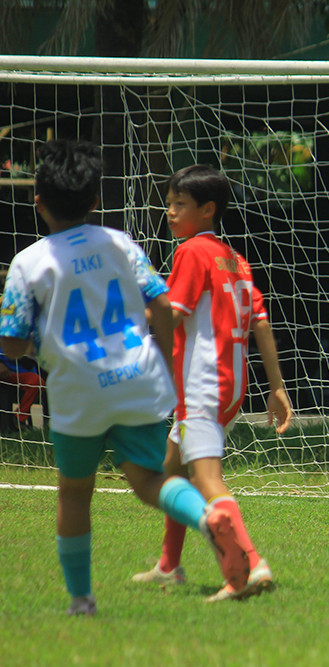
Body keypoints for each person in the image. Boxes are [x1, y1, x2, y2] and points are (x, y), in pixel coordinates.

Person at [0, 139, 249, 616]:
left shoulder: (28, 263)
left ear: (38, 203)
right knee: (150, 478)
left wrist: (42, 345)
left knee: (75, 492)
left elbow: (11, 343)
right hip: (139, 380)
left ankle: (81, 600)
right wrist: (155, 356)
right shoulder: (120, 244)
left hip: (77, 389)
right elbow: (161, 306)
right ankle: (209, 515)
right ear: (95, 200)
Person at [130, 164, 292, 601]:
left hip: (203, 380)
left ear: (207, 210)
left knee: (206, 479)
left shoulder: (191, 252)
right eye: (169, 204)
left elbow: (172, 312)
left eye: (180, 204)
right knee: (170, 470)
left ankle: (251, 564)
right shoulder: (234, 259)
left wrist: (119, 322)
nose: (170, 212)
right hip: (230, 382)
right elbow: (260, 322)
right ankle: (169, 565)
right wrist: (276, 386)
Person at [0, 344, 44, 427]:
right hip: (4, 368)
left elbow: (30, 362)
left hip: (20, 370)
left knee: (37, 382)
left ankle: (19, 417)